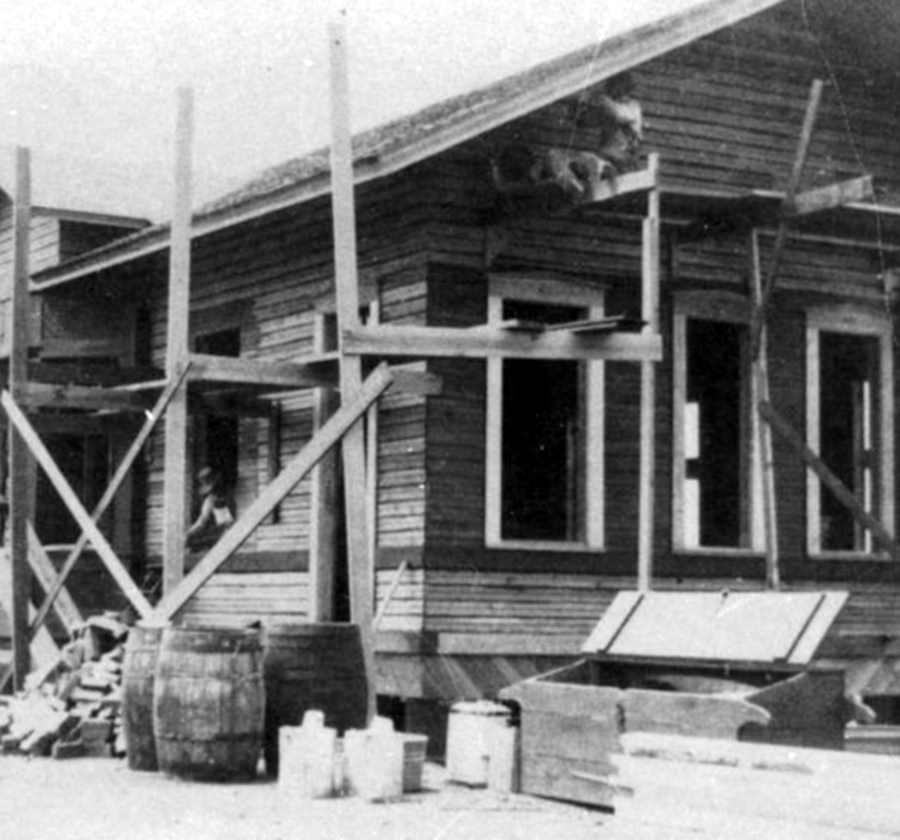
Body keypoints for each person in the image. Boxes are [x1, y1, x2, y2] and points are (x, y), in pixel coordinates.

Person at [185, 466, 234, 552]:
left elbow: (202, 522)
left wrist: (187, 534)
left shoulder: (211, 500)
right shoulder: (223, 498)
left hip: (215, 537)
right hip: (221, 536)